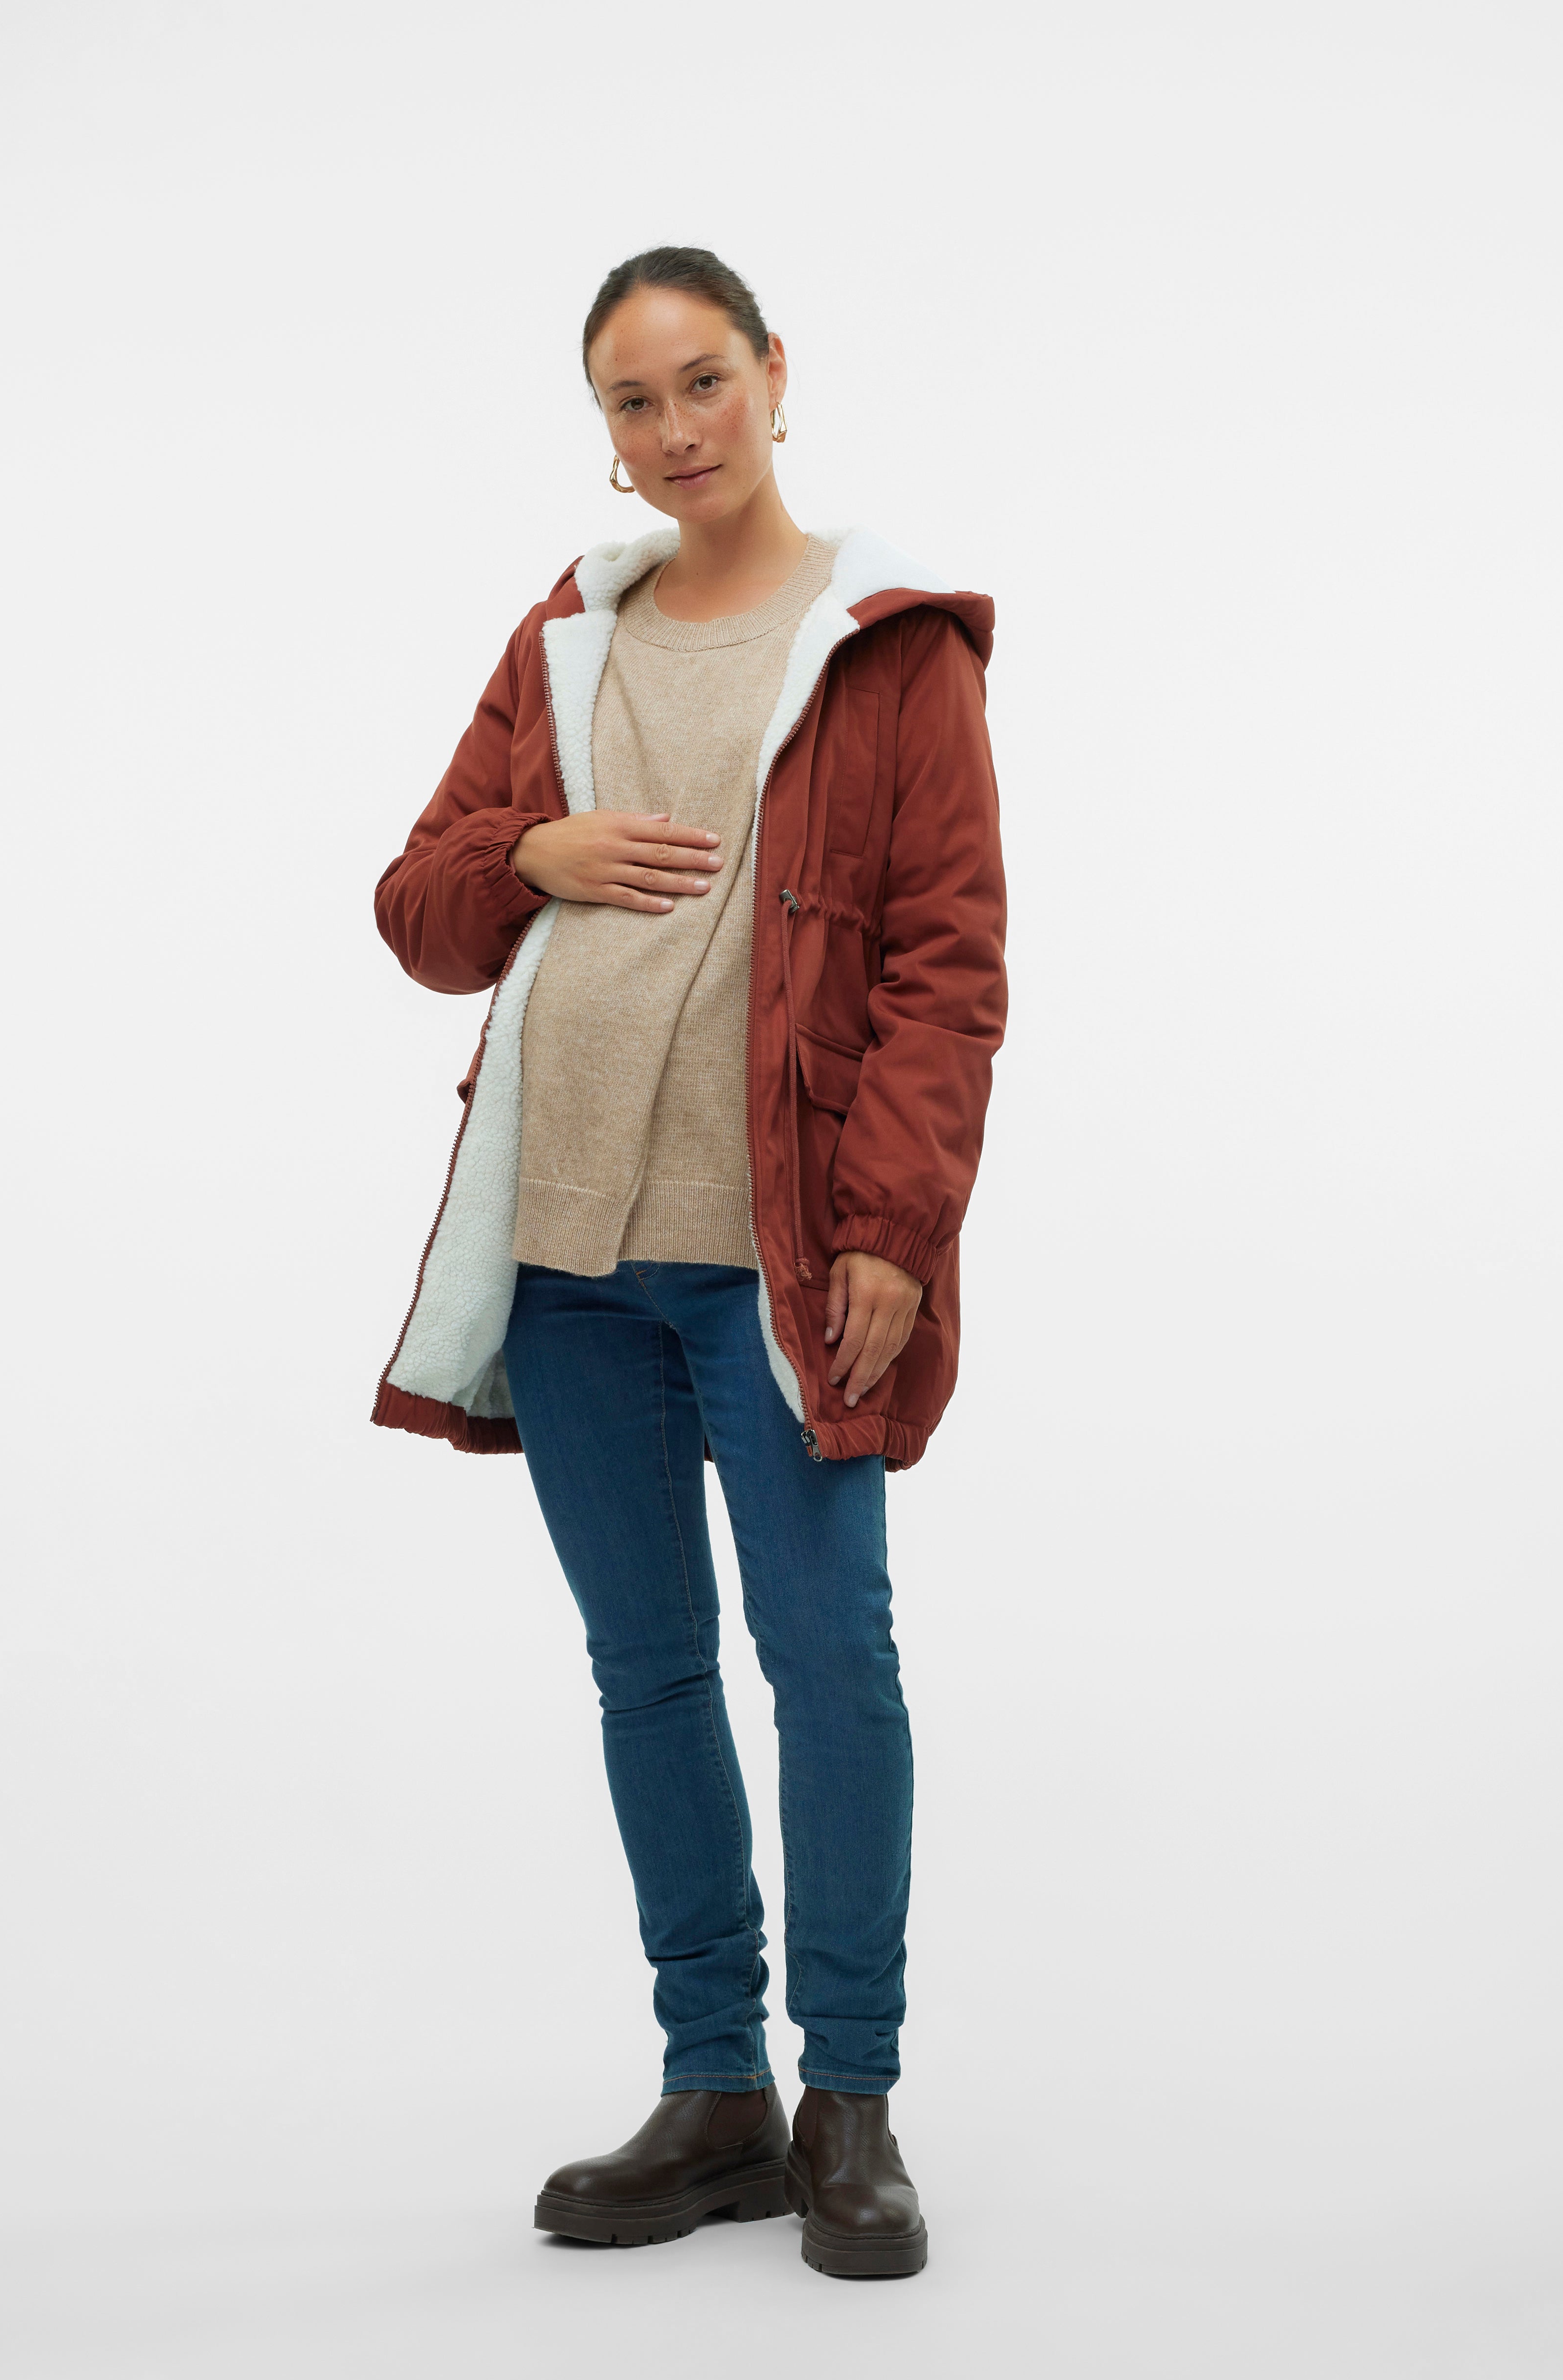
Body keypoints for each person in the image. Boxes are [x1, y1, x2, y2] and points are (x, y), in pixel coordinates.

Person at [370, 246, 1006, 2278]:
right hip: (570, 1262)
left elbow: (947, 971)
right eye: (632, 402)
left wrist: (890, 1230)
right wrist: (527, 852)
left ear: (773, 374)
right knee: (645, 1672)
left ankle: (850, 2100)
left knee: (829, 1661)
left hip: (775, 1261)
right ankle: (715, 2087)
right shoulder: (569, 633)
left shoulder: (889, 648)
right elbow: (416, 909)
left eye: (702, 381)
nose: (674, 430)